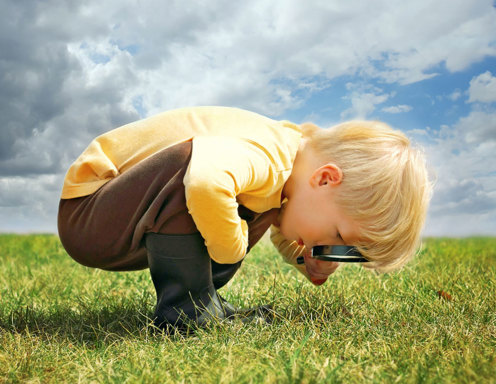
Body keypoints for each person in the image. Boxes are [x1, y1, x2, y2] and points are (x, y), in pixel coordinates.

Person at [57, 106, 431, 331]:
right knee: (198, 173)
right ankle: (188, 314)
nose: (330, 248)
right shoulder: (270, 156)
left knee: (254, 208)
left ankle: (203, 301)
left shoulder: (289, 167)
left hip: (121, 213)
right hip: (91, 211)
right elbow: (204, 182)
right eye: (336, 235)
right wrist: (230, 250)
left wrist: (310, 258)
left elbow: (286, 217)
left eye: (341, 251)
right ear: (326, 178)